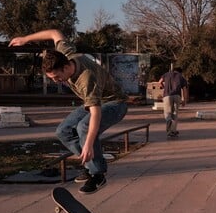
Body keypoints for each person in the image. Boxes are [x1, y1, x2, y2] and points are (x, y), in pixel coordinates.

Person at [9, 29, 128, 194]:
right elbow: (55, 33)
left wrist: (88, 144)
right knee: (63, 131)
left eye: (57, 77)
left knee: (83, 128)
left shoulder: (86, 79)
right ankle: (90, 164)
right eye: (52, 79)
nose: (57, 81)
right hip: (97, 102)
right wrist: (25, 38)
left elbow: (96, 114)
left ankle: (98, 175)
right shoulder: (66, 54)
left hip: (115, 104)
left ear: (65, 67)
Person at [158, 67, 188, 138]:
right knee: (175, 114)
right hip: (177, 96)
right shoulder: (181, 77)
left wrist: (164, 87)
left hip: (167, 96)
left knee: (167, 113)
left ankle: (168, 121)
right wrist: (184, 100)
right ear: (180, 72)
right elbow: (184, 89)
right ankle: (173, 131)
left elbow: (159, 82)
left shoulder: (166, 74)